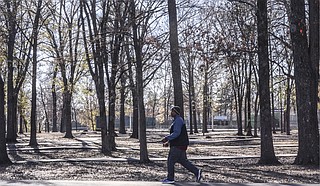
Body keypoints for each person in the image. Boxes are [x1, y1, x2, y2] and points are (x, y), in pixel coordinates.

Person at [161, 106, 202, 184]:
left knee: (170, 161)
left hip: (178, 146)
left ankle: (170, 178)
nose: (171, 113)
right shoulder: (177, 120)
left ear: (175, 112)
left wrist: (166, 138)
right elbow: (177, 134)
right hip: (180, 145)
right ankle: (197, 172)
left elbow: (176, 133)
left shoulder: (178, 121)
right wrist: (168, 142)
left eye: (172, 111)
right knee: (183, 161)